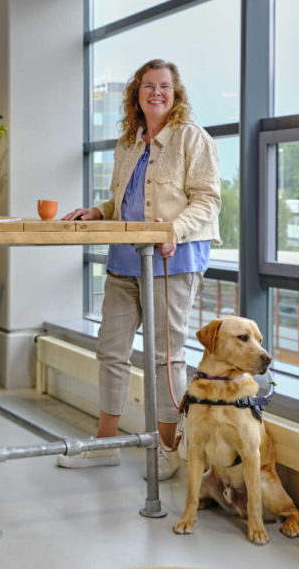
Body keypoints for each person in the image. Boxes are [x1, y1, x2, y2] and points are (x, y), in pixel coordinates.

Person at [58, 59, 221, 479]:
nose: (156, 93)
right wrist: (98, 211)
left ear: (175, 92)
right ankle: (106, 442)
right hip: (125, 261)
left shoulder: (192, 139)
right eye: (148, 86)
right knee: (111, 349)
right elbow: (122, 202)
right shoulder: (129, 142)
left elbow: (207, 200)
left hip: (174, 261)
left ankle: (169, 449)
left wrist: (173, 231)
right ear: (137, 93)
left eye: (164, 86)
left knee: (166, 358)